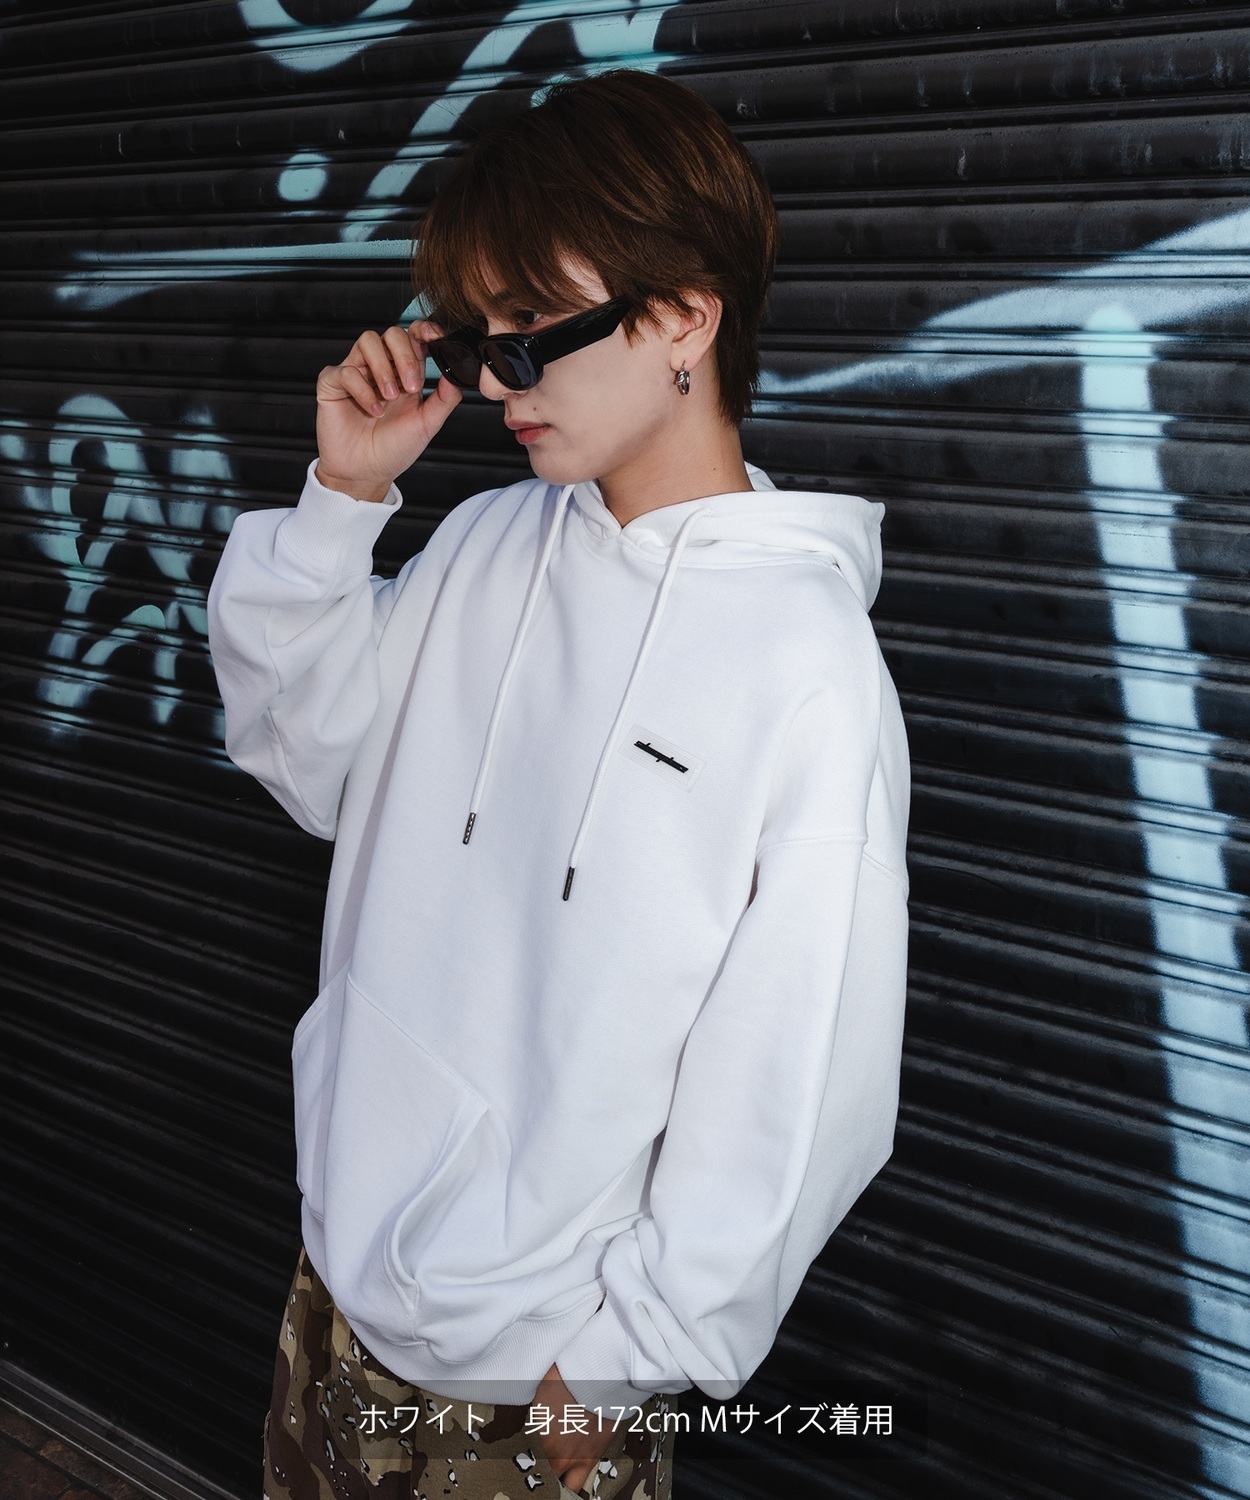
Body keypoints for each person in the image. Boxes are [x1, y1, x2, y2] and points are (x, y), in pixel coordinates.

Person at [207, 69, 910, 1500]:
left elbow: (802, 1078)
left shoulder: (805, 668)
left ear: (683, 320)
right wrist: (344, 503)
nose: (490, 383)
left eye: (527, 336)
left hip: (530, 1385)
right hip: (337, 1286)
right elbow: (306, 762)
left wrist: (608, 1376)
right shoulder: (482, 542)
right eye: (478, 339)